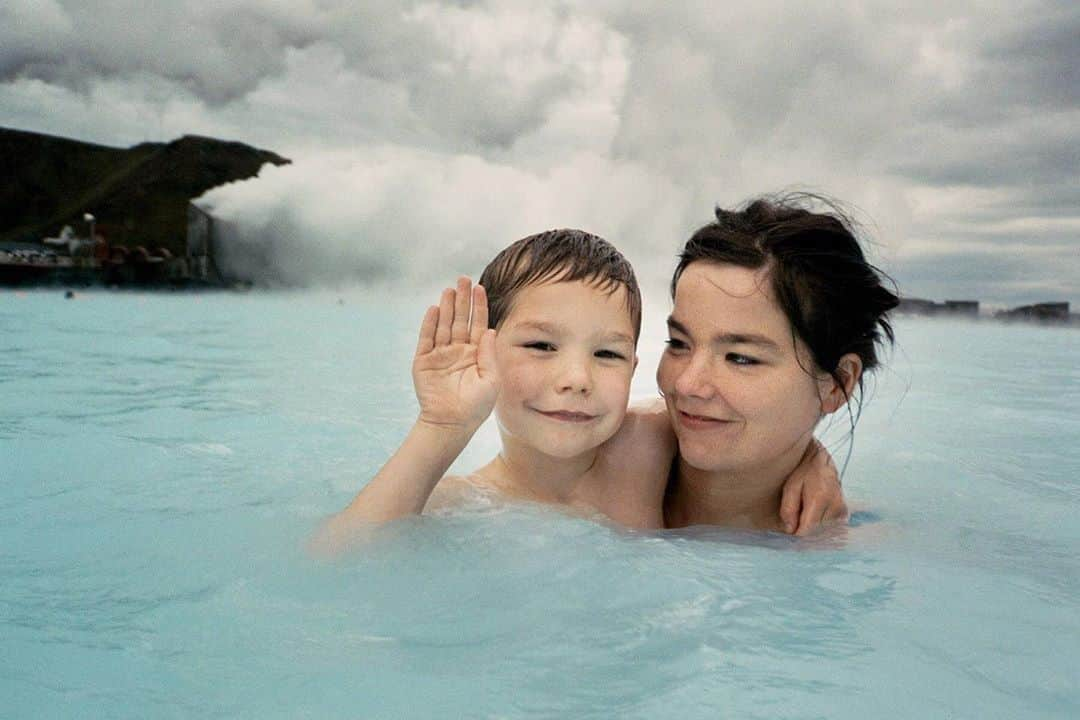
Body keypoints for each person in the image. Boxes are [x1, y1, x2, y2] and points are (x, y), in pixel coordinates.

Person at [309, 228, 843, 555]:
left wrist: (812, 453)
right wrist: (441, 428)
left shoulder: (642, 447)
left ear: (633, 366)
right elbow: (343, 558)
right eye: (542, 346)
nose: (576, 378)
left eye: (606, 354)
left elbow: (746, 422)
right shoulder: (467, 504)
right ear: (484, 351)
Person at [654, 194, 898, 530]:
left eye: (740, 358)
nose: (686, 384)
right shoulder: (589, 479)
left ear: (836, 384)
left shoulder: (853, 550)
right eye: (678, 343)